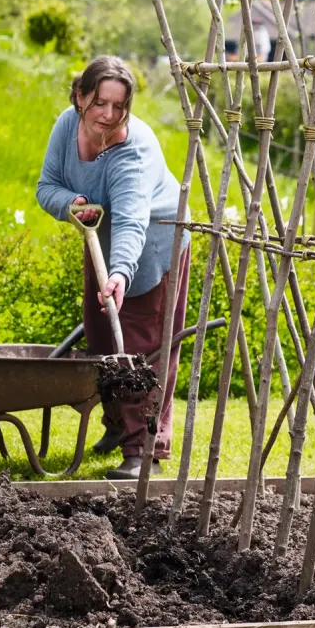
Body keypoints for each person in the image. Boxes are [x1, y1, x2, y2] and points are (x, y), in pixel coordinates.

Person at [36, 55, 190, 479]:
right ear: (80, 97)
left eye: (119, 106)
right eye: (100, 102)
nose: (108, 114)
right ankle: (118, 425)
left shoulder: (132, 151)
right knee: (101, 335)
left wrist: (121, 272)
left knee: (141, 348)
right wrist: (70, 203)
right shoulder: (67, 126)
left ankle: (143, 450)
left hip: (152, 244)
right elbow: (46, 186)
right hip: (100, 238)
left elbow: (132, 221)